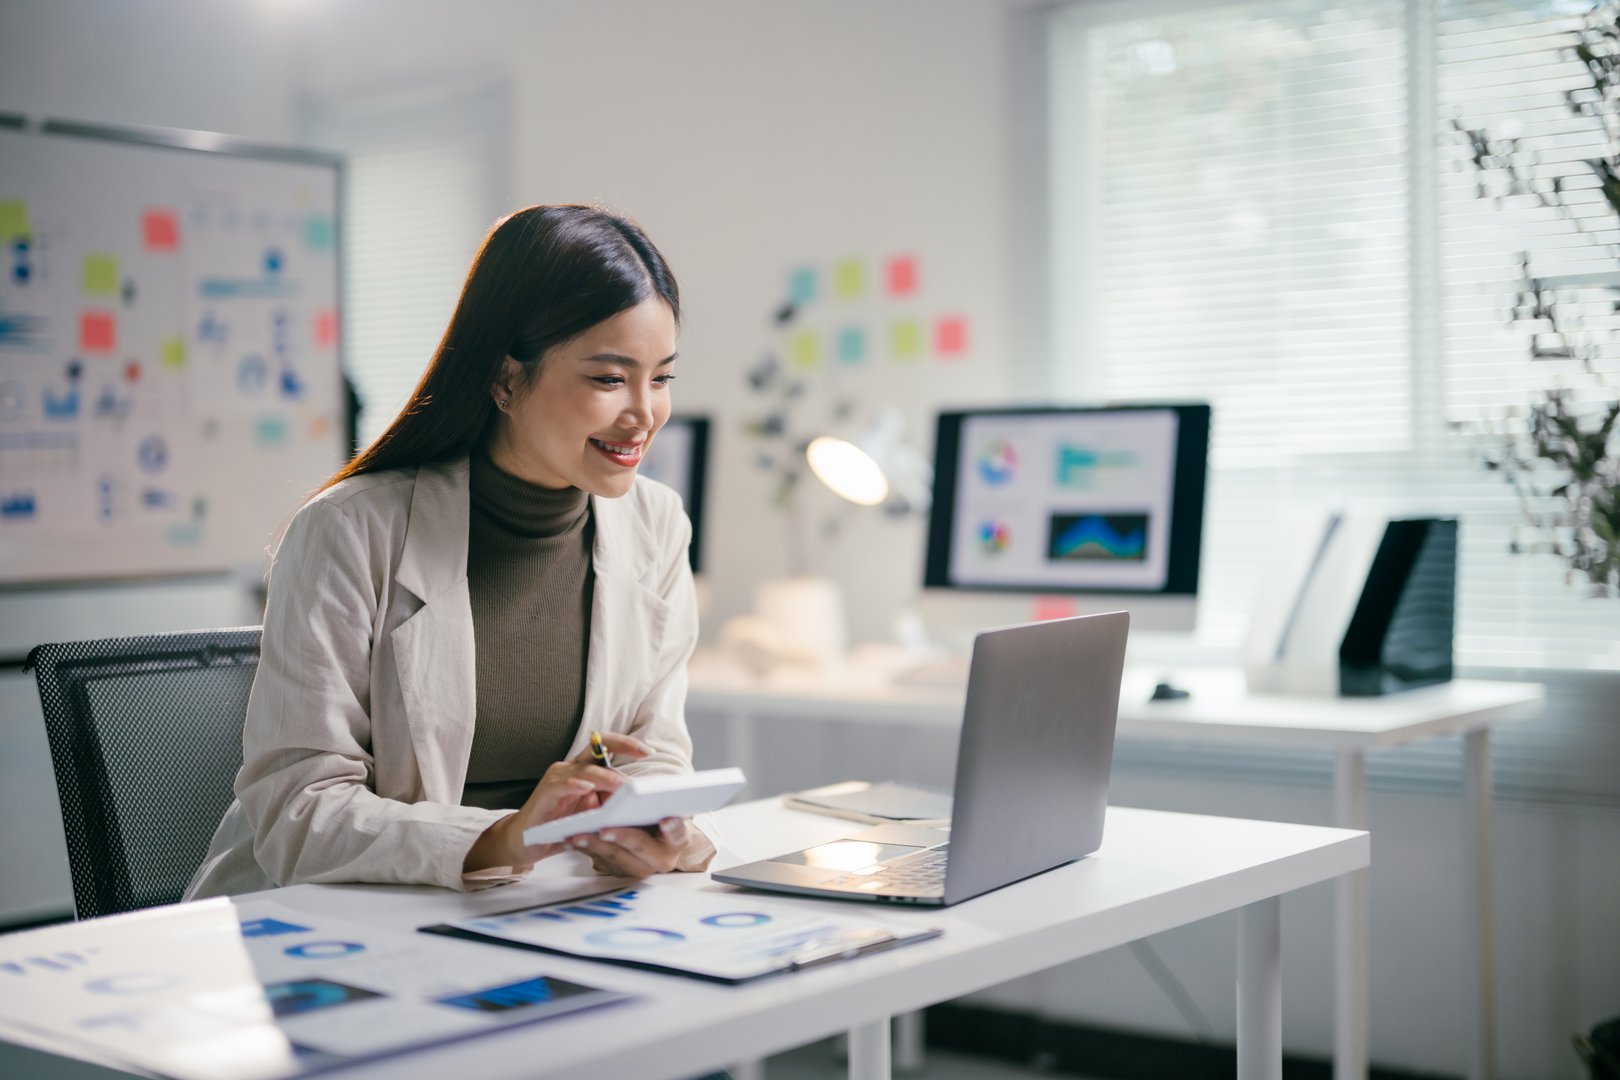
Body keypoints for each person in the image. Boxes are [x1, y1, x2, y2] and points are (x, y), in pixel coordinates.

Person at [186, 204, 714, 899]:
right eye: (609, 379)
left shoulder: (657, 525)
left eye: (663, 378)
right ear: (504, 380)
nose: (645, 413)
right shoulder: (348, 530)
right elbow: (296, 811)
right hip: (333, 918)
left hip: (530, 910)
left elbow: (655, 744)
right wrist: (502, 838)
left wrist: (650, 819)